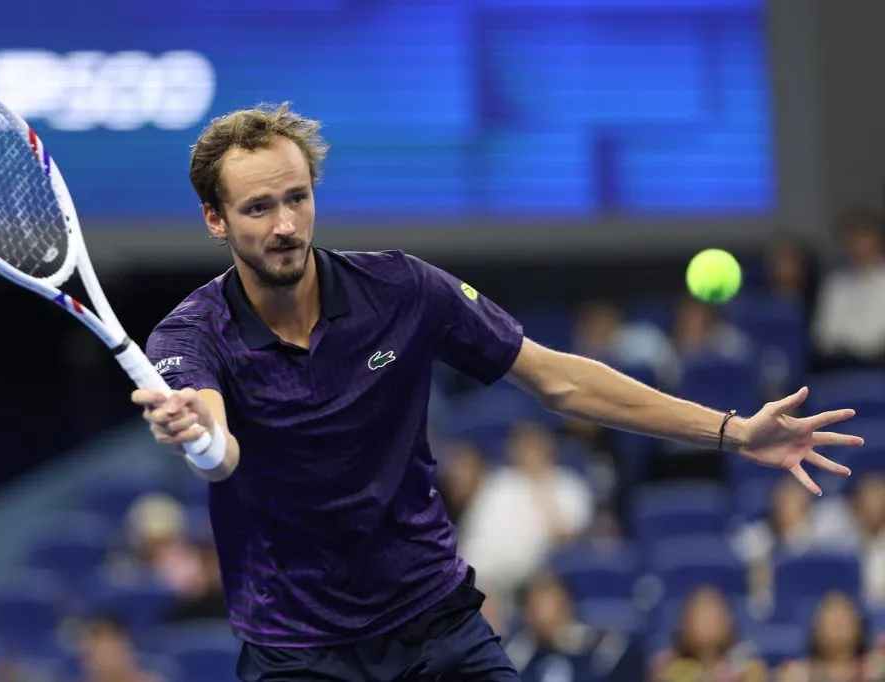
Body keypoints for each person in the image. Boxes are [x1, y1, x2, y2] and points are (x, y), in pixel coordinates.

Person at [131, 102, 864, 682]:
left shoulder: (403, 289)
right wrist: (199, 435)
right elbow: (220, 452)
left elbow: (560, 378)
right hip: (296, 652)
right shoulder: (190, 336)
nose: (287, 224)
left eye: (298, 198)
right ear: (215, 219)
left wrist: (734, 430)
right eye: (259, 208)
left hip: (434, 625)